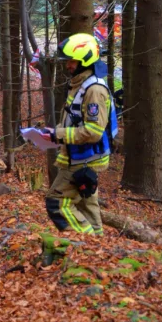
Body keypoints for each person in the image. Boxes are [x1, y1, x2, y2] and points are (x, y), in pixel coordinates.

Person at [40, 33, 116, 235]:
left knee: (56, 202)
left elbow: (94, 131)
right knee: (86, 207)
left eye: (72, 61)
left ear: (85, 59)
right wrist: (54, 133)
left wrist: (59, 135)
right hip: (78, 157)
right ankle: (101, 249)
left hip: (84, 160)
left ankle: (85, 246)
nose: (68, 66)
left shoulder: (94, 90)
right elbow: (73, 119)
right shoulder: (81, 85)